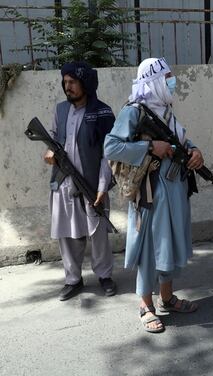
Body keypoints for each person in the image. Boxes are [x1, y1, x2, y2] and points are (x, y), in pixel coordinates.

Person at [104, 57, 203, 333]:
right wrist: (149, 149)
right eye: (167, 76)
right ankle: (146, 304)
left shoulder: (166, 109)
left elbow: (179, 139)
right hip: (150, 193)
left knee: (168, 244)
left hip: (174, 190)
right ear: (154, 79)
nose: (172, 80)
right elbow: (111, 147)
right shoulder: (134, 112)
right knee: (150, 248)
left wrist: (195, 151)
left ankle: (167, 297)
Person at [44, 61, 117, 301]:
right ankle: (73, 279)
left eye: (72, 82)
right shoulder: (60, 110)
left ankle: (105, 276)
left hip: (92, 184)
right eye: (65, 82)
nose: (68, 87)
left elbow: (109, 154)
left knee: (98, 234)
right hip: (64, 182)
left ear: (85, 83)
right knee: (68, 234)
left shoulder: (102, 112)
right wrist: (50, 152)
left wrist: (102, 187)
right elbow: (54, 138)